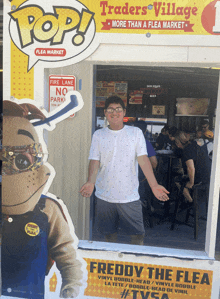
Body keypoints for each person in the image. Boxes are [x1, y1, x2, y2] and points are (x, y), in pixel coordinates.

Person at [80, 96, 169, 245]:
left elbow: (143, 160)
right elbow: (95, 160)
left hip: (129, 196)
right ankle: (111, 263)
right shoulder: (98, 135)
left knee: (137, 235)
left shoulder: (135, 133)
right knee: (109, 236)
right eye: (110, 110)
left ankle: (135, 263)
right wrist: (90, 182)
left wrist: (154, 185)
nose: (114, 113)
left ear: (124, 112)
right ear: (105, 113)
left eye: (118, 109)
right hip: (104, 195)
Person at [174, 131, 211, 203]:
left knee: (178, 180)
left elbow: (191, 168)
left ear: (181, 142)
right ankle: (192, 202)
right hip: (208, 175)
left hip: (200, 179)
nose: (177, 145)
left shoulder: (186, 151)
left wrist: (191, 183)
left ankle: (192, 203)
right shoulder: (194, 144)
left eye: (177, 143)